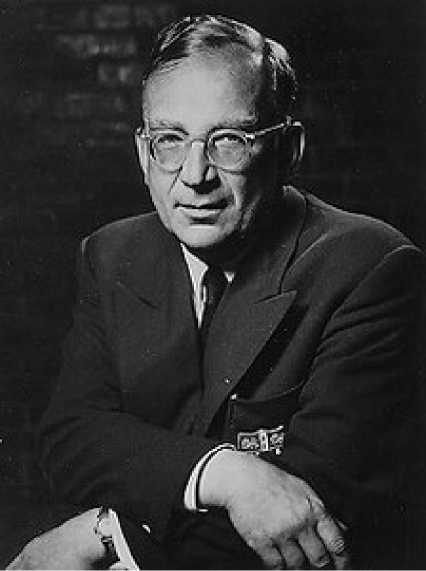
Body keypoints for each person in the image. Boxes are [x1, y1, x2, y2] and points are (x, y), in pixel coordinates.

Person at [6, 13, 425, 570]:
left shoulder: (371, 265)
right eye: (170, 140)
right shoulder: (110, 254)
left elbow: (302, 518)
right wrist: (225, 474)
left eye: (229, 140)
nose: (194, 174)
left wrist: (106, 534)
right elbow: (71, 441)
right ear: (143, 154)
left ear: (288, 150)